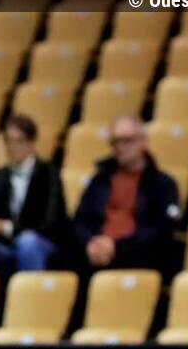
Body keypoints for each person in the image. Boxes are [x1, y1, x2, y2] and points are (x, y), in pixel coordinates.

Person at [73, 116, 180, 273]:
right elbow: (80, 220)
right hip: (96, 253)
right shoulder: (100, 180)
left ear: (143, 142)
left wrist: (116, 246)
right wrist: (90, 242)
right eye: (114, 142)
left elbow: (163, 228)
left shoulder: (162, 183)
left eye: (127, 140)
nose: (120, 147)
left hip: (138, 254)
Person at [0, 114, 69, 273]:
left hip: (43, 242)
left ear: (32, 143)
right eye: (8, 141)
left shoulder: (49, 174)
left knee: (27, 242)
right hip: (7, 243)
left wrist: (6, 227)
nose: (12, 147)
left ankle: (29, 289)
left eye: (18, 141)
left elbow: (51, 224)